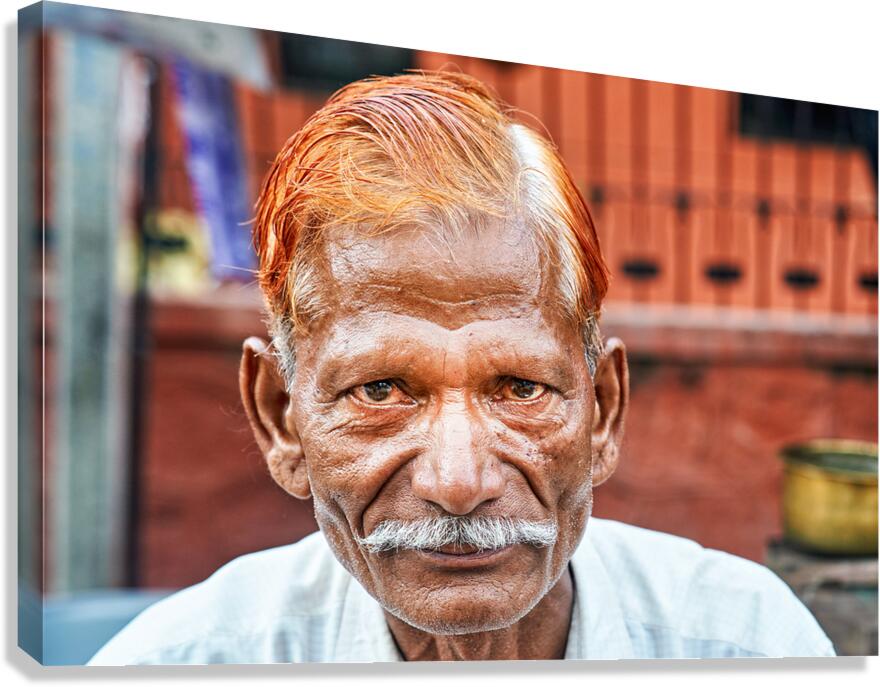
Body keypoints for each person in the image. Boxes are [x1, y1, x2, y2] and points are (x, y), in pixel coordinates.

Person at [89, 71, 834, 664]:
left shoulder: (750, 645)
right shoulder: (179, 662)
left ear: (604, 410)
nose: (457, 482)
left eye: (521, 388)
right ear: (282, 418)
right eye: (380, 389)